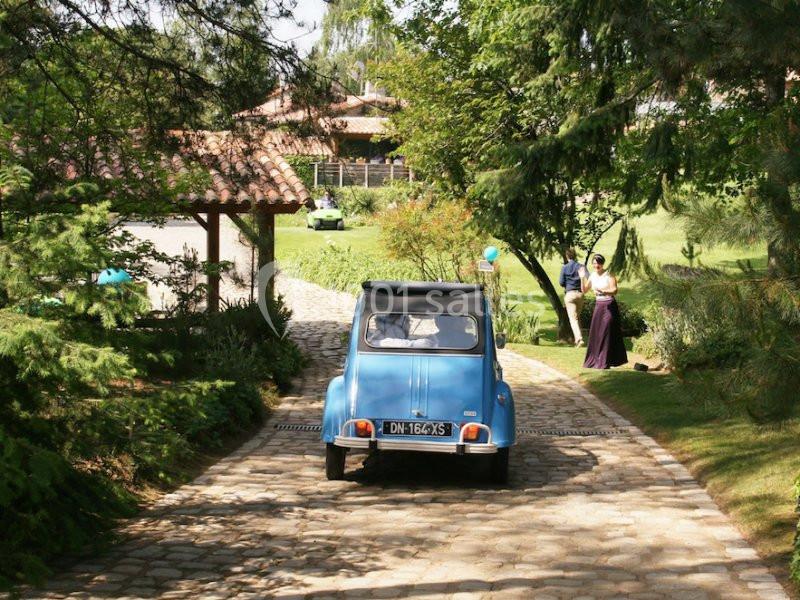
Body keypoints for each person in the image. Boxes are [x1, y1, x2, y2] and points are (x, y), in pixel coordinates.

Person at [580, 254, 628, 369]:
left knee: (606, 331)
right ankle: (595, 360)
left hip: (609, 305)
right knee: (597, 332)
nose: (596, 265)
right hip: (599, 306)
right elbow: (584, 290)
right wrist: (582, 277)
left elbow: (614, 290)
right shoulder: (592, 275)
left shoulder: (609, 274)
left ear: (602, 264)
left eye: (598, 263)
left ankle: (605, 361)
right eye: (594, 263)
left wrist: (603, 291)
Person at [559, 247, 584, 347]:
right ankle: (578, 338)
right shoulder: (580, 266)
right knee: (577, 317)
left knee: (573, 319)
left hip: (570, 294)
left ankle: (579, 339)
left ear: (567, 256)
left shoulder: (565, 267)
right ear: (575, 256)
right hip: (580, 294)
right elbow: (586, 277)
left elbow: (561, 282)